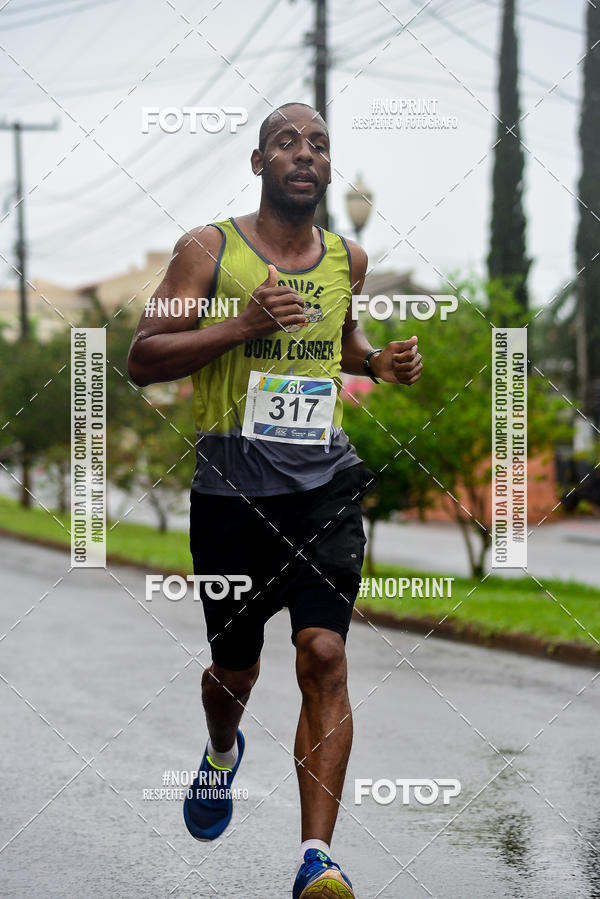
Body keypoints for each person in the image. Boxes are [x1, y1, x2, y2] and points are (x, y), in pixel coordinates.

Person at [128, 101, 423, 899]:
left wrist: (378, 362)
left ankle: (316, 857)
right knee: (235, 671)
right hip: (231, 490)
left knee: (324, 654)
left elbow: (341, 339)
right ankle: (222, 751)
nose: (305, 154)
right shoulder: (208, 249)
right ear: (260, 163)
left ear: (328, 166)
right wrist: (241, 325)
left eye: (319, 144)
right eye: (287, 142)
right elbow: (144, 356)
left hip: (324, 484)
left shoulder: (348, 257)